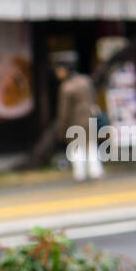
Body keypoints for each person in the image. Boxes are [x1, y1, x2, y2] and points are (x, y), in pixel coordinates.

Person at [52, 52, 104, 182]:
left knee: (76, 148)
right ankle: (95, 171)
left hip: (74, 121)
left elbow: (64, 111)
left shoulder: (66, 87)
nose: (57, 73)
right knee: (91, 146)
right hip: (90, 118)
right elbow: (93, 99)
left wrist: (62, 127)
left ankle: (80, 173)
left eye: (59, 70)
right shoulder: (86, 81)